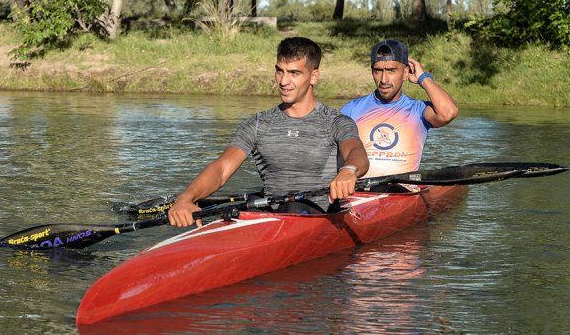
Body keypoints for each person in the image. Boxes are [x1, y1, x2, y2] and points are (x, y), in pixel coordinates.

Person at [168, 37, 369, 228]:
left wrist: (349, 170)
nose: (283, 81)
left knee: (292, 208)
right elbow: (221, 169)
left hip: (319, 216)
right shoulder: (257, 124)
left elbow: (357, 153)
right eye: (279, 71)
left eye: (294, 73)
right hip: (272, 216)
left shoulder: (335, 122)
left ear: (313, 76)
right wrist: (186, 197)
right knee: (231, 212)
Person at [340, 39, 458, 178]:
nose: (383, 79)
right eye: (378, 71)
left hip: (403, 192)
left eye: (391, 70)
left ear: (406, 72)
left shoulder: (418, 110)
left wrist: (423, 78)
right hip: (360, 193)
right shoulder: (351, 109)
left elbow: (448, 113)